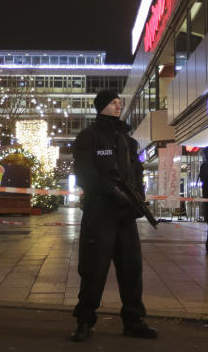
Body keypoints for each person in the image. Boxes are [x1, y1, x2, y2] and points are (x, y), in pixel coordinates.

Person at [69, 89, 157, 342]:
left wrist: (138, 198)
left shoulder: (127, 140)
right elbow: (86, 174)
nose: (118, 106)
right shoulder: (89, 136)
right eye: (112, 102)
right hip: (100, 213)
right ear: (101, 107)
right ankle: (85, 321)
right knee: (93, 269)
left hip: (125, 216)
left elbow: (137, 173)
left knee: (132, 269)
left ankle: (134, 320)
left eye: (119, 102)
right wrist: (115, 193)